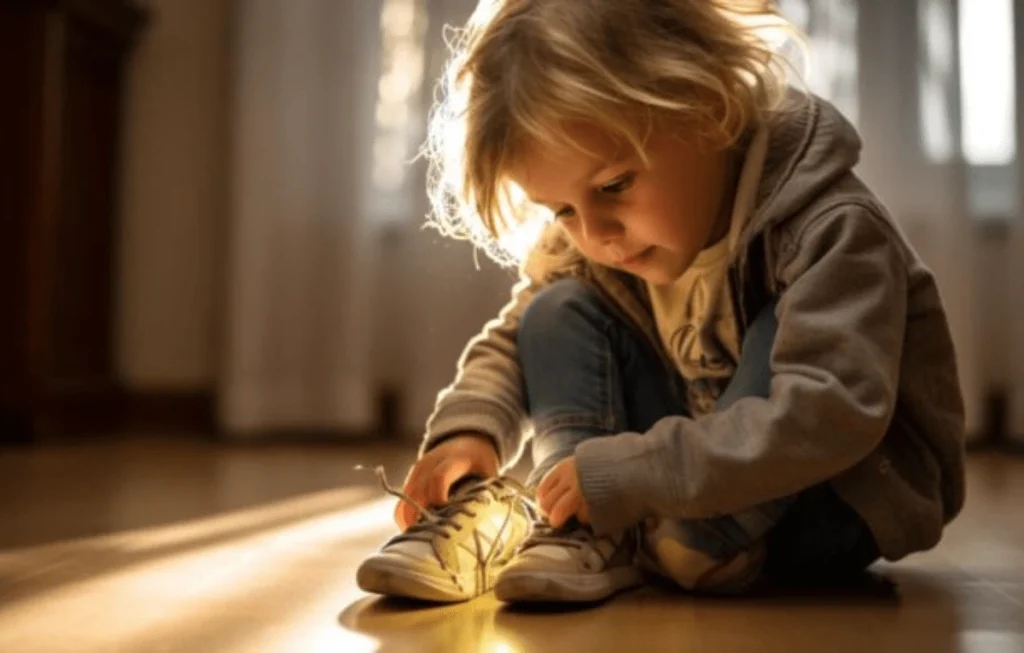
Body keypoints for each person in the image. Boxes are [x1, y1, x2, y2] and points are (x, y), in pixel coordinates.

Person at [356, 0, 966, 605]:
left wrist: (642, 474)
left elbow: (830, 413)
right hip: (682, 481)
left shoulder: (831, 229)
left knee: (776, 326)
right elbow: (515, 339)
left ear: (713, 110)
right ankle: (578, 527)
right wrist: (466, 432)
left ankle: (696, 537)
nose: (595, 233)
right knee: (554, 309)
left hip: (832, 499)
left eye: (614, 186)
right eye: (562, 210)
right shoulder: (601, 241)